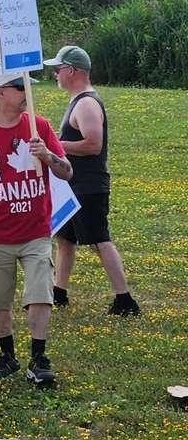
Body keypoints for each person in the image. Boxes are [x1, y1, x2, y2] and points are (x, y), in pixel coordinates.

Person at [0, 68, 73, 385]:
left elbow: (67, 172)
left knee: (40, 294)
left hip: (35, 231)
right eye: (20, 88)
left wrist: (46, 155)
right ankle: (6, 355)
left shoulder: (40, 127)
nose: (26, 94)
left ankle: (39, 357)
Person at [45, 45, 140, 316]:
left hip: (88, 185)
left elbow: (93, 144)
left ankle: (124, 300)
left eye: (58, 69)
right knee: (64, 239)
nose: (55, 74)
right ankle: (58, 292)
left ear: (71, 71)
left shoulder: (86, 103)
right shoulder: (78, 100)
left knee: (99, 240)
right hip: (73, 184)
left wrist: (56, 146)